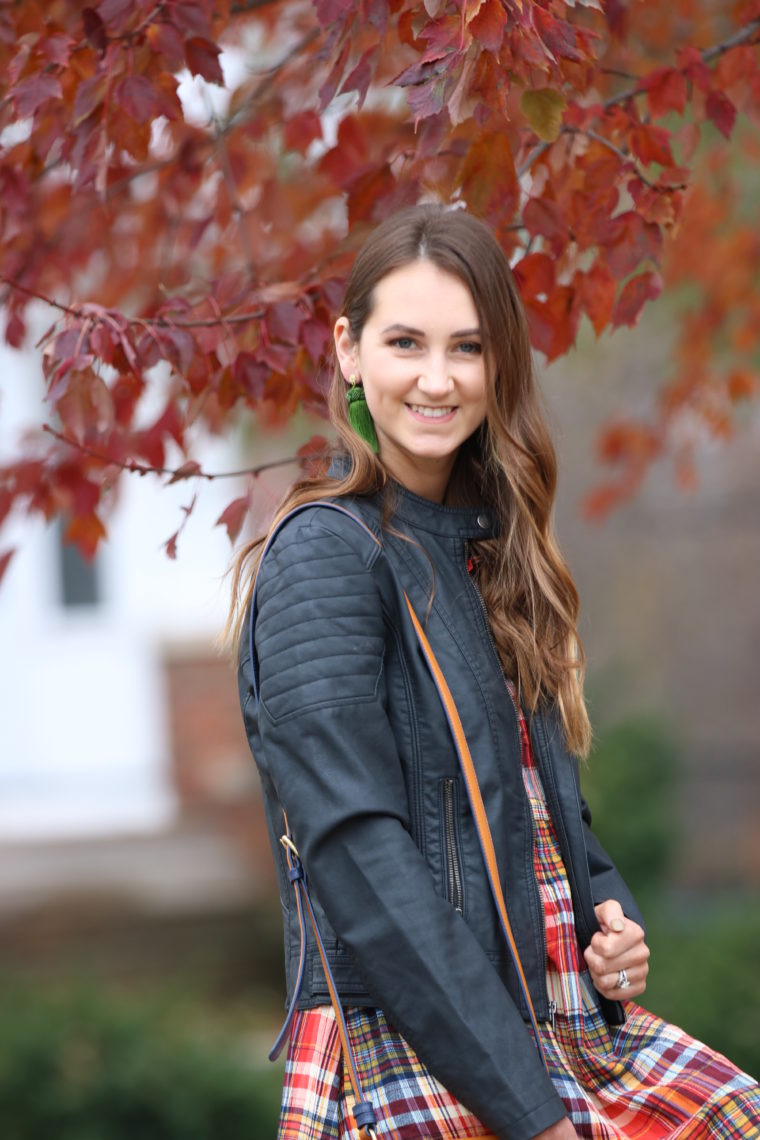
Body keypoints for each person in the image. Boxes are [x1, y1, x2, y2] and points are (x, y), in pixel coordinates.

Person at [227, 205, 760, 1140]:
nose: (438, 379)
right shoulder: (325, 556)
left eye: (467, 348)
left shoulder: (493, 557)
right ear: (350, 351)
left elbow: (546, 819)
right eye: (406, 343)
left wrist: (613, 922)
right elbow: (361, 860)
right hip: (418, 1053)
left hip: (557, 1028)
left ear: (499, 364)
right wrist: (532, 1114)